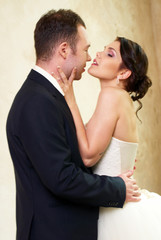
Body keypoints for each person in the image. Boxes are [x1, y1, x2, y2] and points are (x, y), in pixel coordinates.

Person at [6, 10, 140, 240]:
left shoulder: (47, 96)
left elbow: (74, 158)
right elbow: (62, 178)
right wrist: (117, 188)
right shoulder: (37, 101)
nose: (90, 57)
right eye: (86, 49)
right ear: (65, 50)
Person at [55, 37, 161, 239]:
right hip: (117, 204)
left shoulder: (111, 95)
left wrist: (71, 101)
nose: (98, 54)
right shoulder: (122, 99)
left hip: (113, 213)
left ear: (124, 73)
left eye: (109, 54)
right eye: (103, 50)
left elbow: (88, 156)